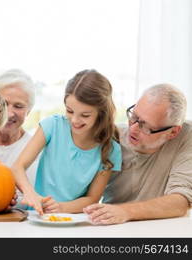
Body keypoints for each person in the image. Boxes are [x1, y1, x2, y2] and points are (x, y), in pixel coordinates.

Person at [12, 69, 122, 215]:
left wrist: (61, 207)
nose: (75, 120)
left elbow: (92, 198)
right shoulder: (52, 126)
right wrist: (30, 194)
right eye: (70, 111)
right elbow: (17, 167)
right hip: (38, 216)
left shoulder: (110, 149)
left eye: (85, 115)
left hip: (74, 220)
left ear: (101, 113)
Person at [84, 83, 192, 225]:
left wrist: (126, 212)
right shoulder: (112, 137)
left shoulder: (186, 137)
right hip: (111, 227)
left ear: (173, 132)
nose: (133, 129)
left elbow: (181, 202)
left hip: (159, 230)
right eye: (133, 116)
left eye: (146, 126)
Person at [0, 69, 39, 203]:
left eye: (18, 106)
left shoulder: (35, 148)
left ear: (29, 111)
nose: (9, 113)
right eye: (4, 103)